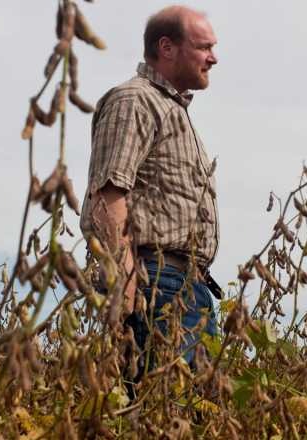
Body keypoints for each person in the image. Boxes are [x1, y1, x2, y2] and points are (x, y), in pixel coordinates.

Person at [78, 5, 222, 386]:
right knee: (162, 409)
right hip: (154, 284)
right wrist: (125, 284)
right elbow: (108, 194)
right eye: (204, 46)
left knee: (193, 416)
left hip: (188, 286)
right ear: (167, 47)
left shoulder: (171, 108)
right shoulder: (134, 101)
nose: (214, 57)